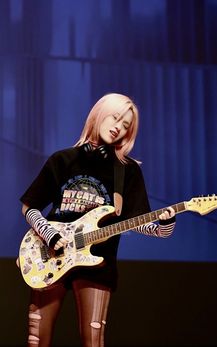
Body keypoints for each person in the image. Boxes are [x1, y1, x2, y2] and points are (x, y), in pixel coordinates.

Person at [19, 93, 176, 347]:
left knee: (93, 341)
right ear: (99, 113)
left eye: (126, 125)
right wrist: (49, 234)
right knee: (37, 339)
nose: (118, 127)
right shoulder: (63, 159)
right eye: (116, 118)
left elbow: (138, 221)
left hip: (98, 263)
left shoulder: (127, 170)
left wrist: (164, 226)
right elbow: (29, 206)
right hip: (49, 256)